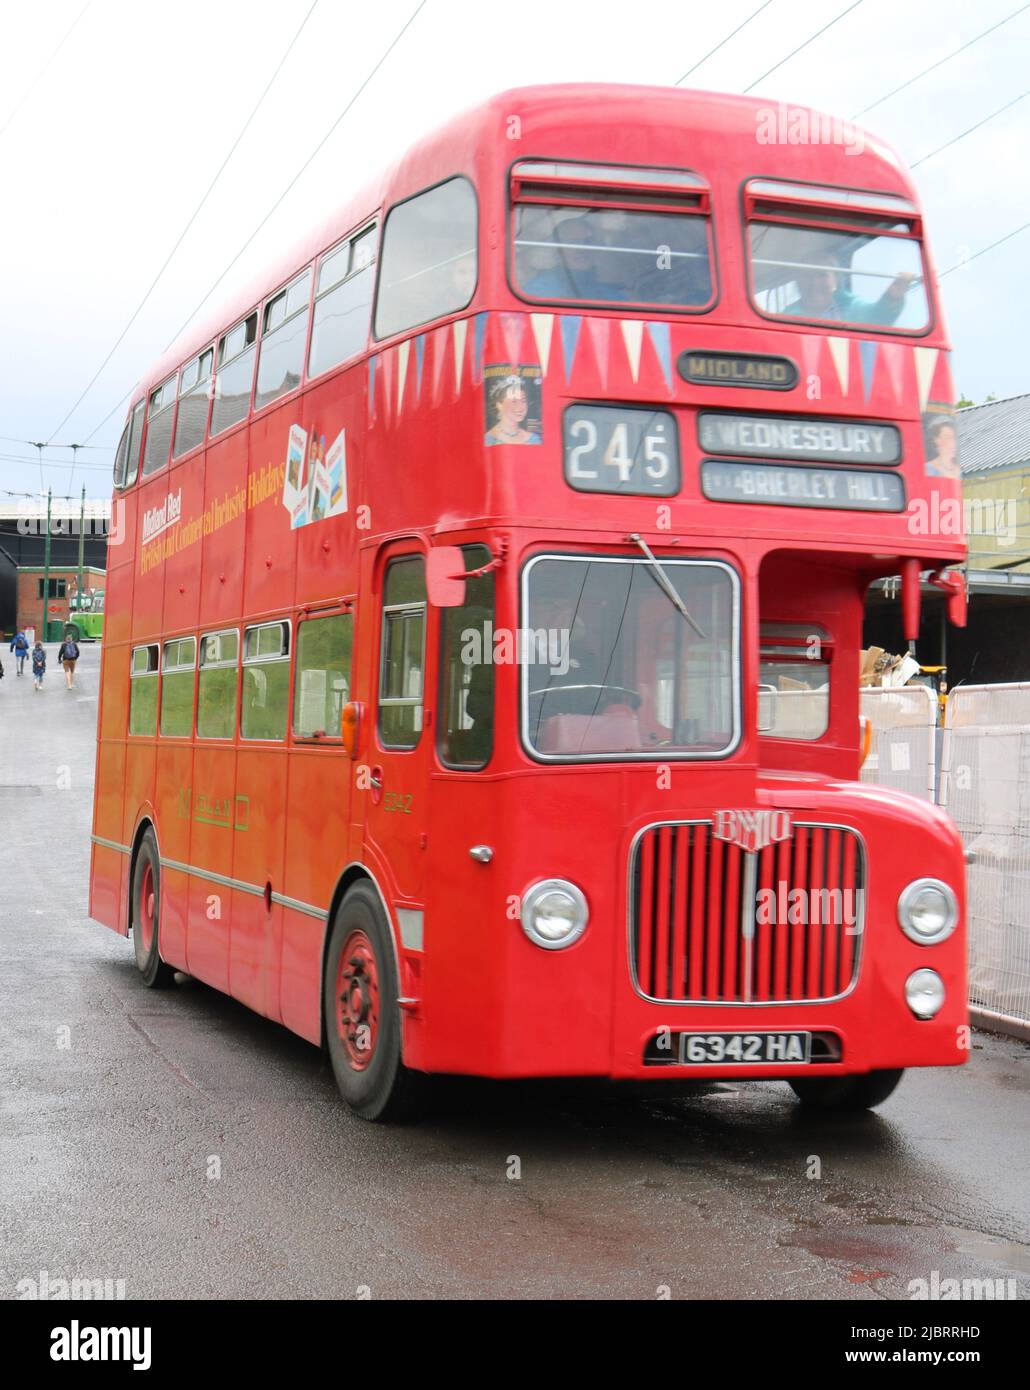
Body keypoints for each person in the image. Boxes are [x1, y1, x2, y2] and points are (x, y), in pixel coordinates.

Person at [783, 254, 915, 326]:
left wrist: (892, 298)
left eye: (822, 275)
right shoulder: (785, 317)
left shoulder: (851, 306)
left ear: (835, 280)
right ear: (798, 281)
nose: (814, 283)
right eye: (807, 276)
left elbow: (877, 317)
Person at [485, 376, 541, 446]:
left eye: (523, 401)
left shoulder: (534, 439)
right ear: (499, 405)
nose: (520, 407)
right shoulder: (489, 440)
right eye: (514, 401)